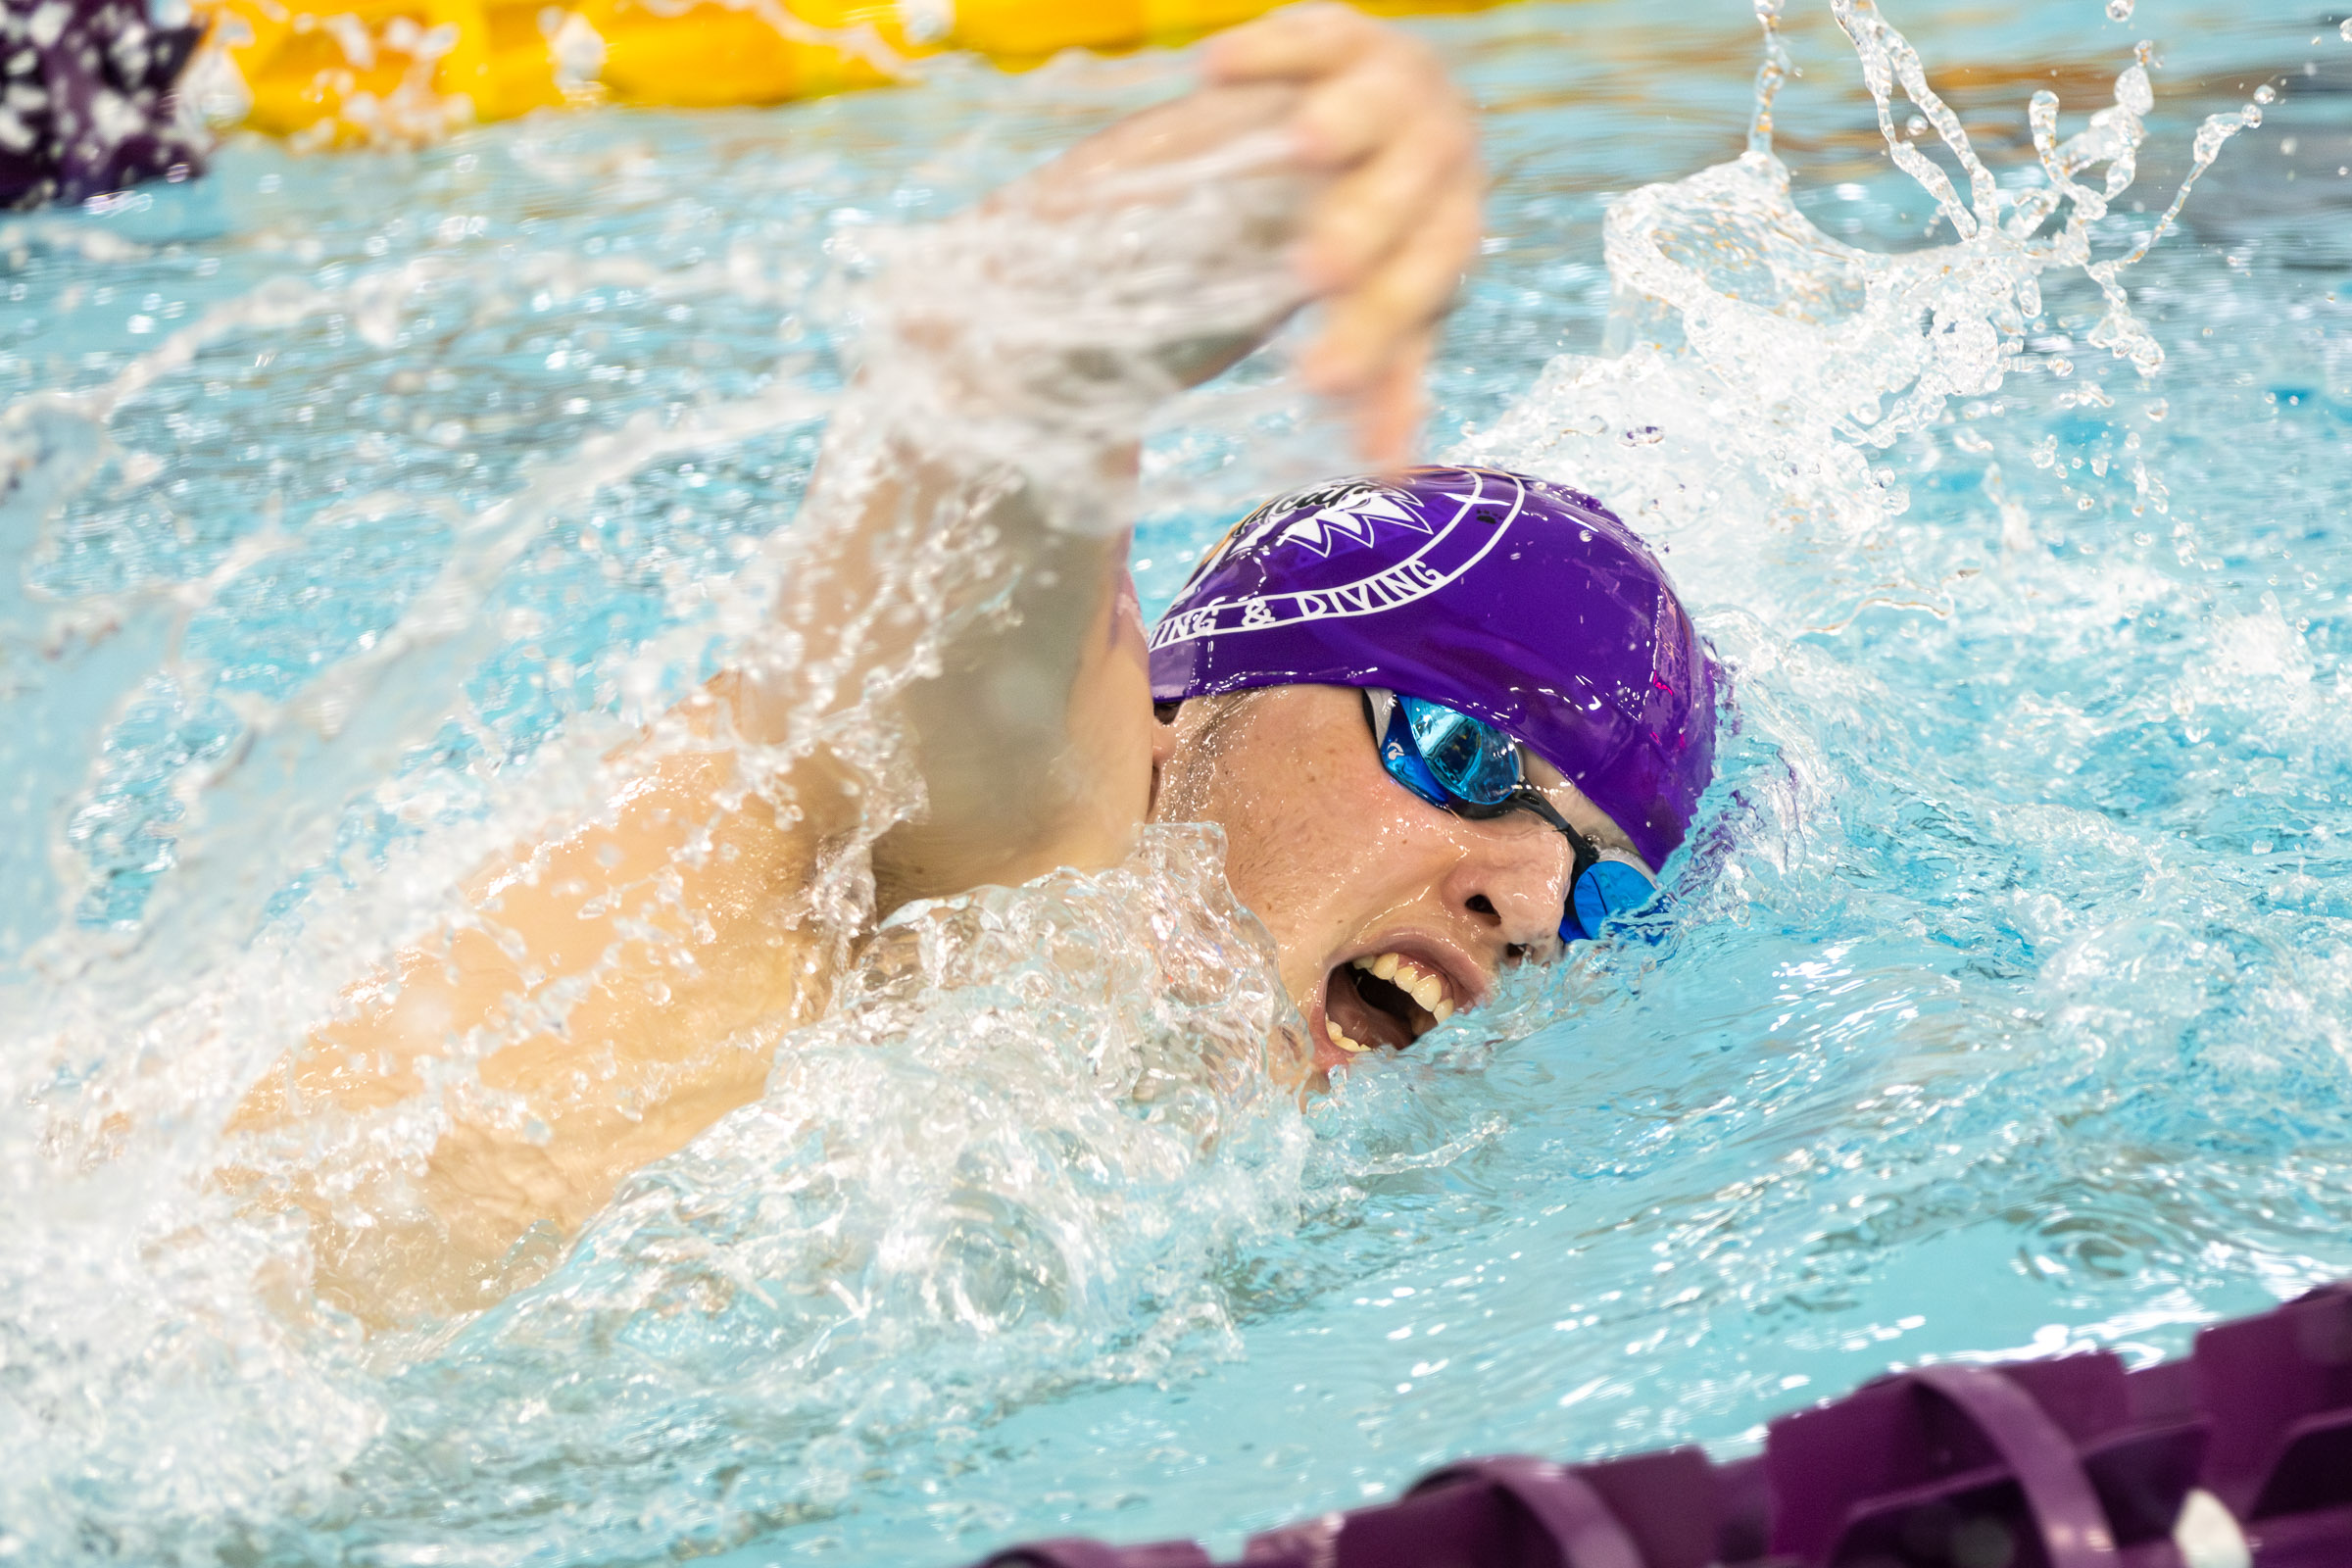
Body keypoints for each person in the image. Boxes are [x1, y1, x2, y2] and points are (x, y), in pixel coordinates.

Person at [225, 4, 1714, 1326]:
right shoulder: (1030, 822)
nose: (1526, 905)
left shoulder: (1160, 1109)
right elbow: (984, 385)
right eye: (1461, 760)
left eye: (1596, 888)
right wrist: (1277, 172)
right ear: (1210, 693)